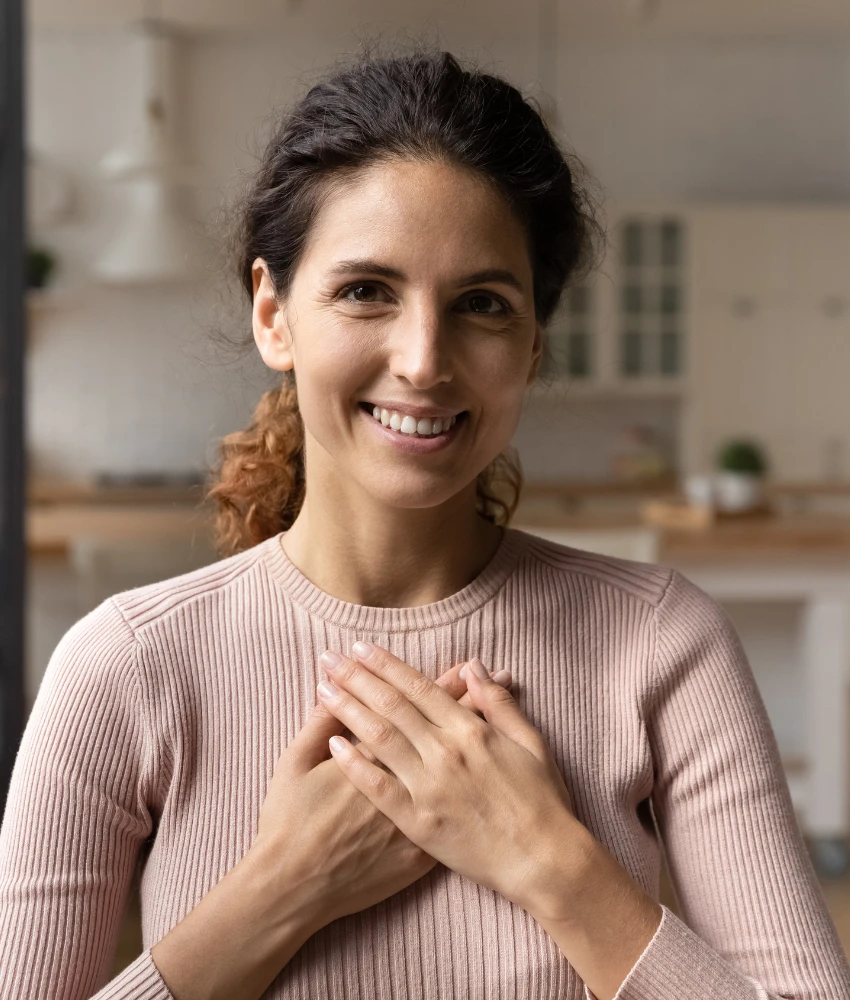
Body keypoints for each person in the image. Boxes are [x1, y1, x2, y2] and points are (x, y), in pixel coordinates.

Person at [1, 44, 848, 1000]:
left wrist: (550, 864)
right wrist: (282, 891)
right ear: (273, 313)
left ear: (533, 346)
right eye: (366, 290)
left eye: (482, 305)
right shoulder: (121, 667)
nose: (422, 360)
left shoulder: (662, 641)